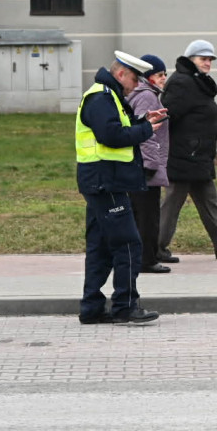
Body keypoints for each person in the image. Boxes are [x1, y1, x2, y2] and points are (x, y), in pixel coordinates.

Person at [76, 51, 167, 325]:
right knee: (128, 243)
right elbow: (112, 136)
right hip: (107, 182)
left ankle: (91, 308)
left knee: (100, 246)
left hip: (102, 180)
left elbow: (119, 129)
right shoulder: (103, 98)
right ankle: (125, 306)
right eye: (135, 78)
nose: (137, 84)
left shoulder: (108, 95)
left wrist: (143, 122)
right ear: (120, 74)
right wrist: (147, 131)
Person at [158, 39, 217, 262]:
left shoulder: (197, 81)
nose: (208, 63)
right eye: (203, 59)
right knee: (172, 204)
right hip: (184, 156)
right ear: (191, 60)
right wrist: (186, 147)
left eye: (210, 59)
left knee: (209, 201)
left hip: (198, 156)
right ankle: (154, 248)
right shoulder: (182, 82)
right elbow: (168, 117)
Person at [126, 54, 171, 274]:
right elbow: (146, 132)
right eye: (160, 74)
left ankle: (144, 257)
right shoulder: (147, 97)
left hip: (142, 164)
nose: (164, 78)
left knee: (142, 213)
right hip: (146, 166)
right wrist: (151, 165)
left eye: (165, 74)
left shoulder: (147, 94)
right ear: (148, 76)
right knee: (147, 215)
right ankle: (147, 259)